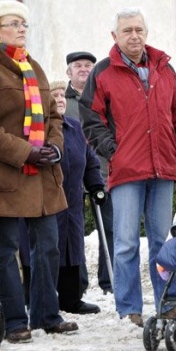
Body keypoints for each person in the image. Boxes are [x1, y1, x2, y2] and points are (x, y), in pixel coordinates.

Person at [0, 0, 77, 342]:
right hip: (4, 173)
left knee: (48, 246)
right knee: (6, 249)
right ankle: (13, 320)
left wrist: (54, 146)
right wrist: (26, 152)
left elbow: (53, 116)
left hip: (41, 175)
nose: (22, 29)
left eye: (24, 24)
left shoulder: (33, 66)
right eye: (13, 23)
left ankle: (47, 314)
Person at [80, 7, 176, 327]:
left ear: (146, 32)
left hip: (162, 168)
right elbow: (91, 119)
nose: (134, 36)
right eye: (127, 31)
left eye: (139, 30)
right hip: (126, 171)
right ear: (114, 36)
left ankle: (167, 301)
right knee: (126, 243)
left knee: (163, 241)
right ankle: (129, 307)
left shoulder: (164, 68)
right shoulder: (103, 72)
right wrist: (113, 151)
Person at [22, 80, 104, 315]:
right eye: (54, 95)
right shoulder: (37, 128)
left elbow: (90, 160)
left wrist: (96, 185)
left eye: (62, 96)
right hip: (44, 199)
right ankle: (35, 299)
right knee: (44, 247)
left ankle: (71, 299)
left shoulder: (76, 127)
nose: (59, 99)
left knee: (72, 248)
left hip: (72, 200)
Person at [63, 51, 115, 297]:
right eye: (78, 66)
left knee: (110, 228)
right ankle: (78, 283)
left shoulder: (103, 96)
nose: (84, 69)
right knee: (75, 232)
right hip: (71, 175)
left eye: (88, 65)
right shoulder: (61, 100)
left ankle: (109, 281)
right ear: (69, 72)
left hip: (102, 172)